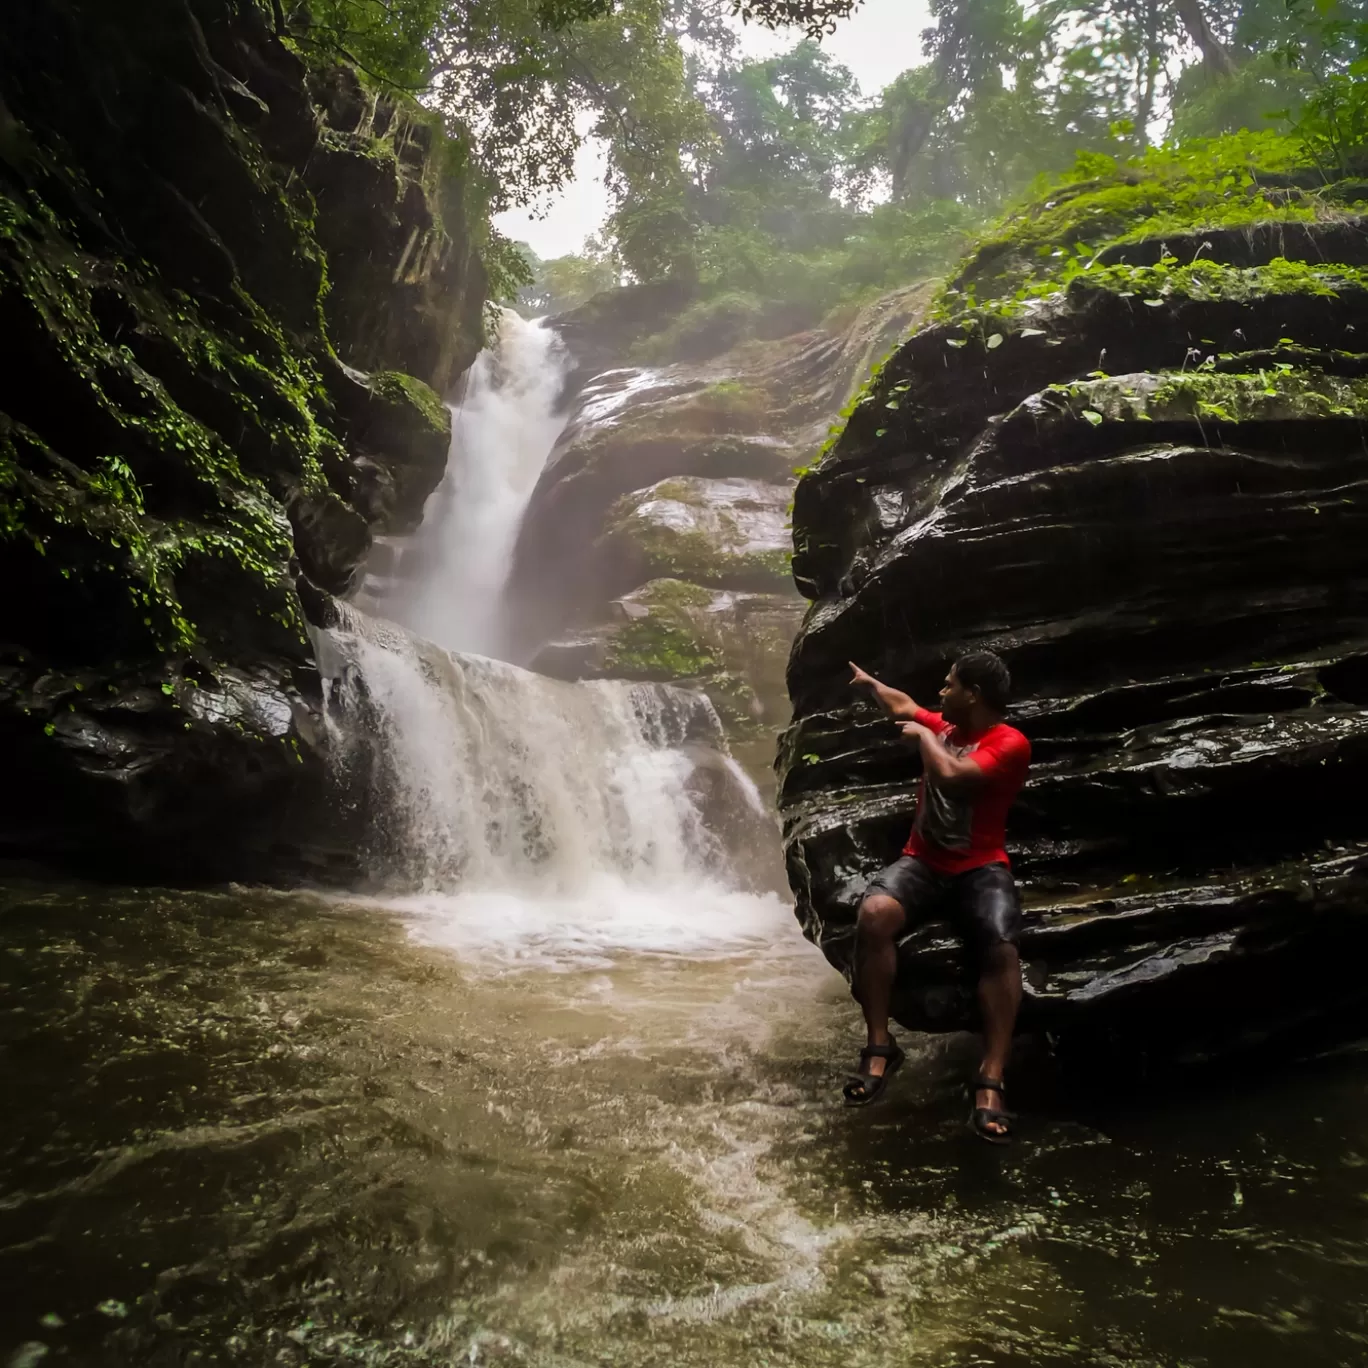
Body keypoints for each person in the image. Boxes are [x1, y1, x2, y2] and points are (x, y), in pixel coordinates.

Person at [843, 652, 1031, 1143]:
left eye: (949, 685)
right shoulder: (948, 723)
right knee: (874, 914)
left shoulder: (1008, 743)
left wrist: (926, 736)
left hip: (980, 866)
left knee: (1001, 946)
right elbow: (903, 705)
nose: (940, 693)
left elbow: (952, 775)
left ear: (973, 695)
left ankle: (990, 1078)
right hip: (923, 862)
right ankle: (880, 1046)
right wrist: (869, 681)